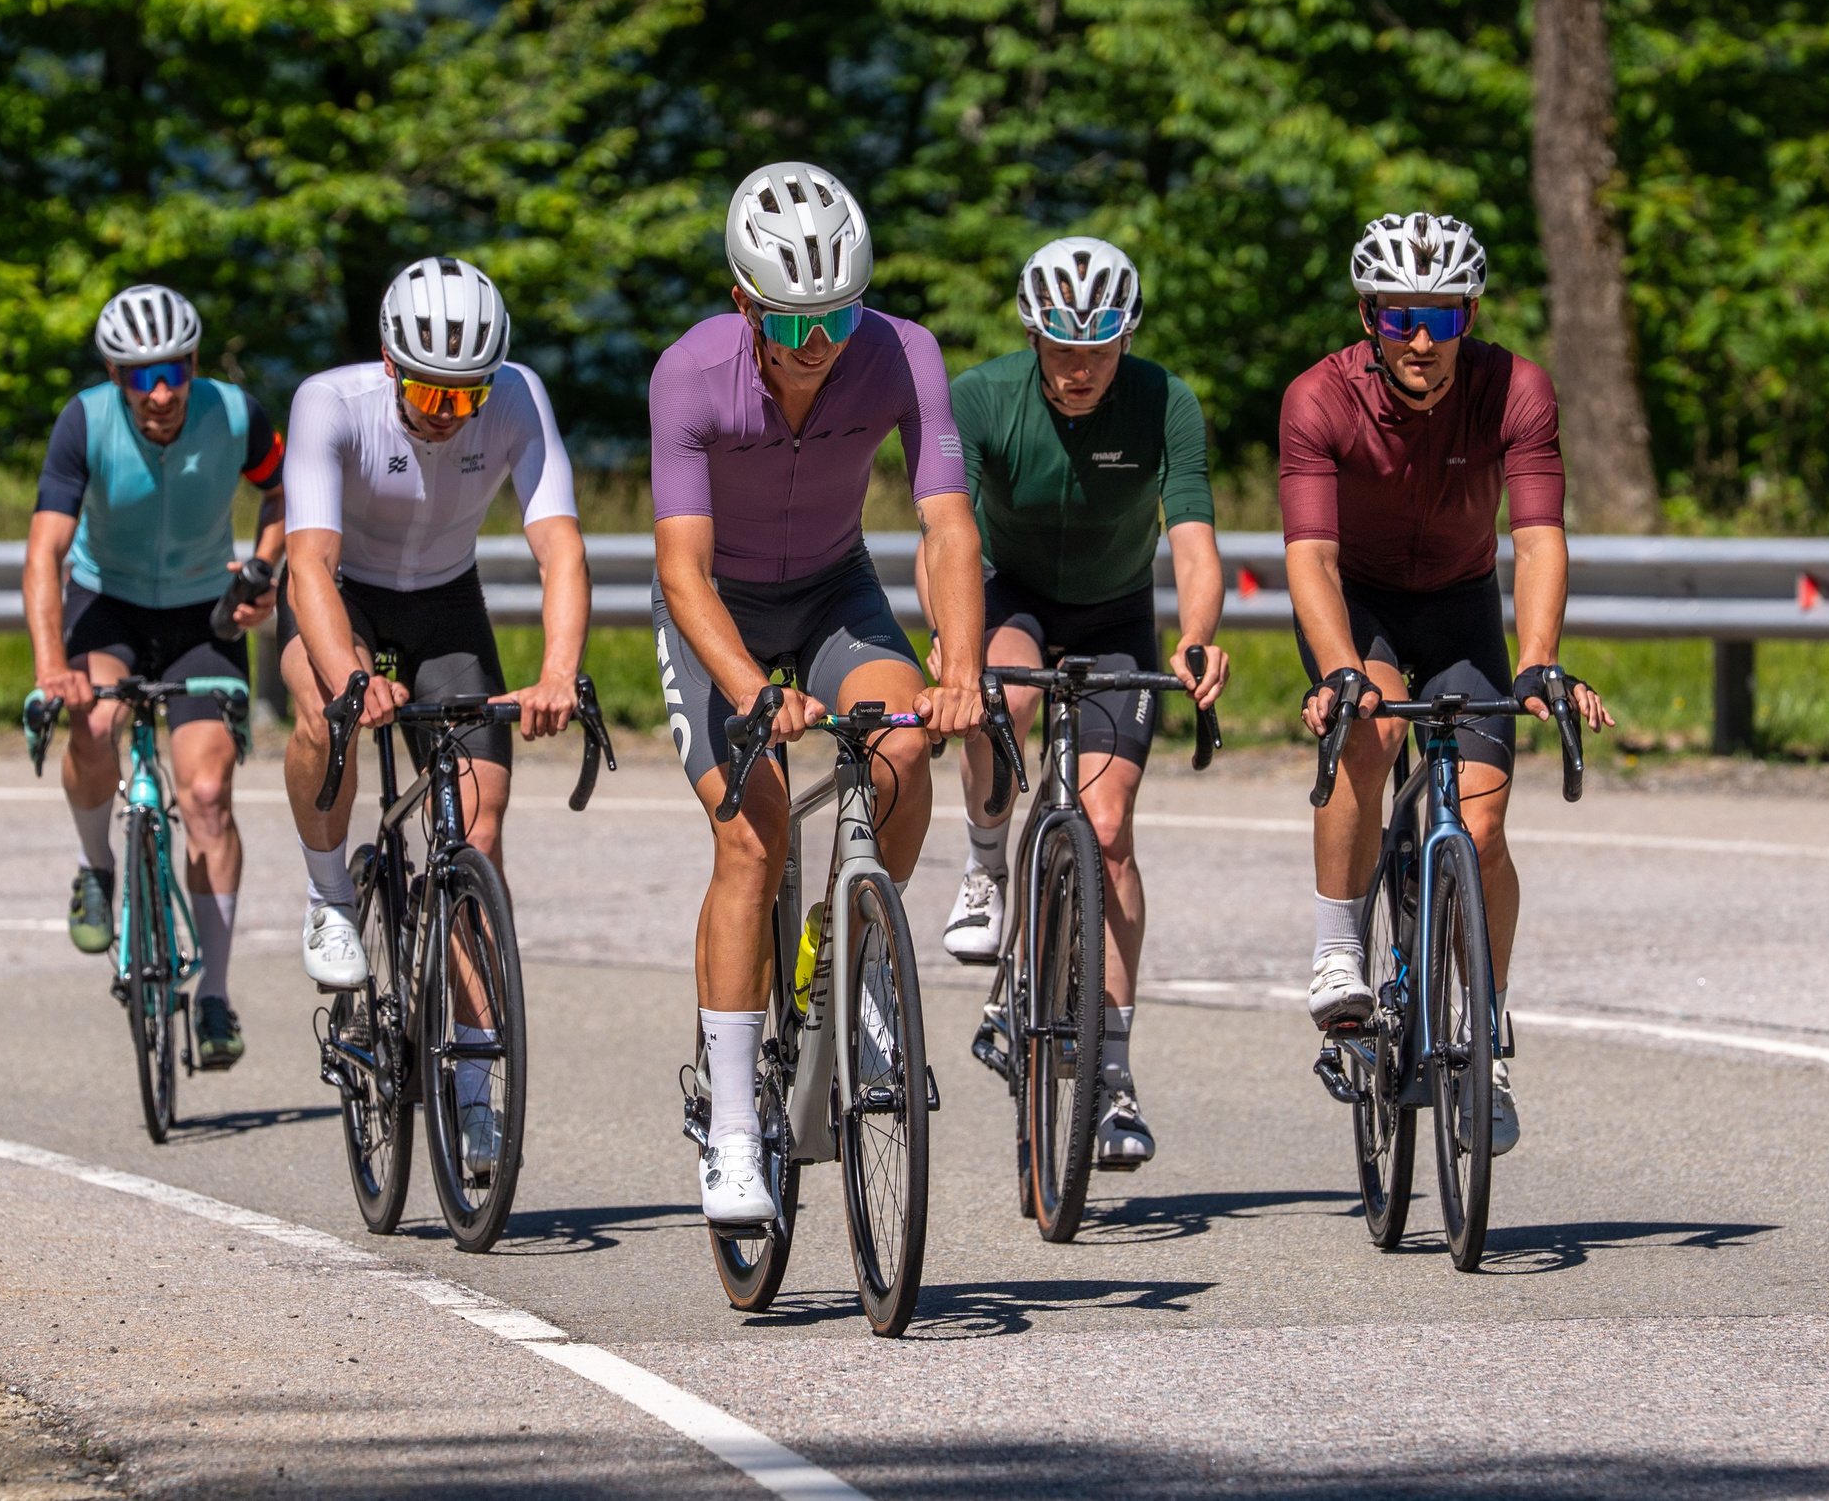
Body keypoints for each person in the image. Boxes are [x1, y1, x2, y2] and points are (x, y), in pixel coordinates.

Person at [650, 160, 990, 1226]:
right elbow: (680, 572)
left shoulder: (902, 352)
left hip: (836, 594)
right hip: (724, 613)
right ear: (745, 303)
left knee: (900, 749)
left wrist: (961, 666)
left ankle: (859, 964)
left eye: (836, 319)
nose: (818, 348)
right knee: (750, 839)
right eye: (791, 328)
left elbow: (945, 525)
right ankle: (734, 1129)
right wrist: (753, 693)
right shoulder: (690, 374)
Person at [1282, 212, 1613, 1156]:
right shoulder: (1318, 398)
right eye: (1398, 320)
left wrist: (1540, 656)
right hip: (1363, 606)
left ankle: (1485, 1039)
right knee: (1373, 727)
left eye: (1442, 318)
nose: (1421, 341)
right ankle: (1340, 942)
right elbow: (1308, 554)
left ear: (1470, 316)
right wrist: (1341, 668)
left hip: (1464, 602)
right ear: (1368, 318)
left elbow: (1539, 536)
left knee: (1483, 826)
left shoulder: (1519, 390)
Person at [920, 236, 1229, 1170]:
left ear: (1126, 338)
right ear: (1034, 335)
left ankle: (1113, 1067)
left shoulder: (1165, 400)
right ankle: (985, 866)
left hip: (1115, 614)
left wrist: (1200, 632)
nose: (1082, 368)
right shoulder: (979, 397)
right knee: (996, 697)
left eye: (1101, 348)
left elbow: (1195, 540)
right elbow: (947, 537)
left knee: (1108, 825)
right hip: (1010, 596)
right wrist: (950, 643)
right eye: (1063, 349)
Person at [279, 255, 590, 1175]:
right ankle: (330, 893)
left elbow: (560, 550)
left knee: (477, 835)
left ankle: (473, 1080)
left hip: (447, 604)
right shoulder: (328, 403)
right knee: (318, 712)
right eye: (429, 393)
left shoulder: (518, 396)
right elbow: (306, 567)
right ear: (388, 362)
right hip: (350, 597)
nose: (447, 414)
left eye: (467, 397)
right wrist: (348, 677)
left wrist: (559, 673)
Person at [25, 283, 286, 1072]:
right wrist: (49, 669)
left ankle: (214, 993)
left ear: (194, 362)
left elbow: (281, 488)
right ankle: (97, 867)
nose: (161, 392)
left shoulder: (235, 413)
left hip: (201, 613)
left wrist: (263, 570)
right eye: (140, 376)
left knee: (207, 794)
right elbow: (45, 552)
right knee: (95, 722)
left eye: (172, 370)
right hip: (106, 604)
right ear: (115, 375)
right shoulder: (84, 422)